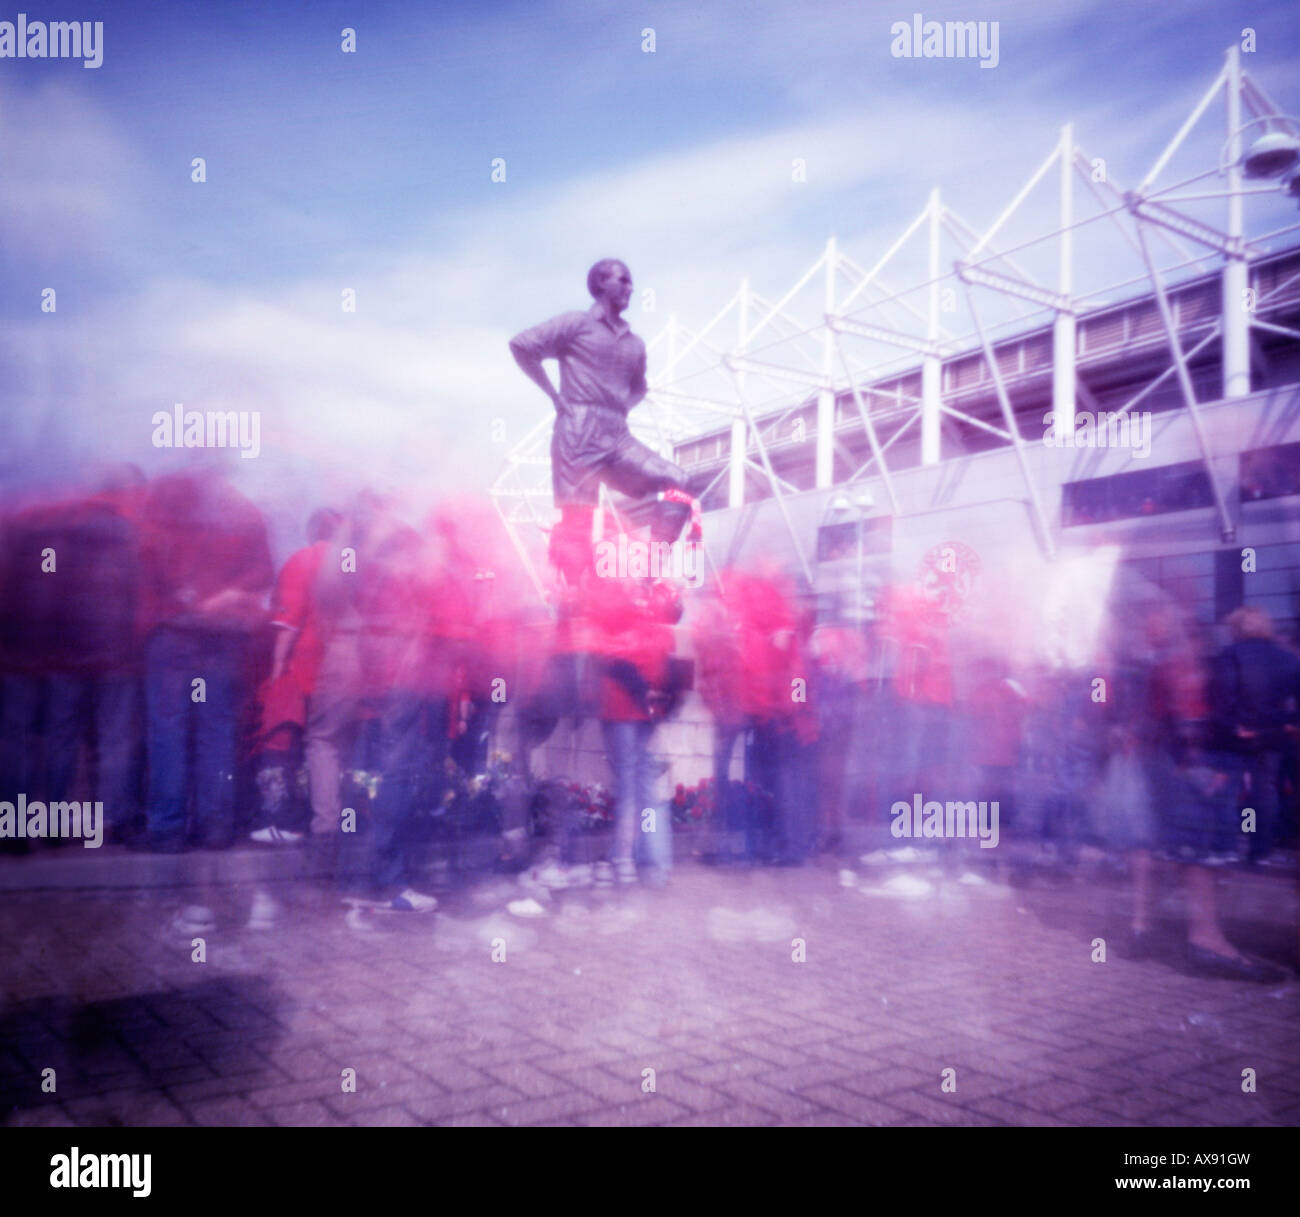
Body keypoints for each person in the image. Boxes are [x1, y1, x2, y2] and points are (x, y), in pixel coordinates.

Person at [509, 259, 696, 585]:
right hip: (577, 431)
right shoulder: (575, 324)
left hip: (616, 433)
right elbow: (523, 345)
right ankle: (576, 597)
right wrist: (554, 395)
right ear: (600, 284)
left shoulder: (635, 344)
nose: (630, 288)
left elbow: (639, 388)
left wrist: (616, 407)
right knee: (577, 520)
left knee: (678, 480)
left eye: (630, 282)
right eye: (623, 281)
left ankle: (646, 575)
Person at [1210, 605, 1300, 868]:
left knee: (1232, 790)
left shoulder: (1230, 655)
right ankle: (1259, 851)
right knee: (1264, 792)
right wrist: (1287, 725)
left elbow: (1224, 698)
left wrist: (1233, 726)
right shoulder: (1287, 658)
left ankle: (1231, 846)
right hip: (1273, 736)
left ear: (1236, 629)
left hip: (1238, 736)